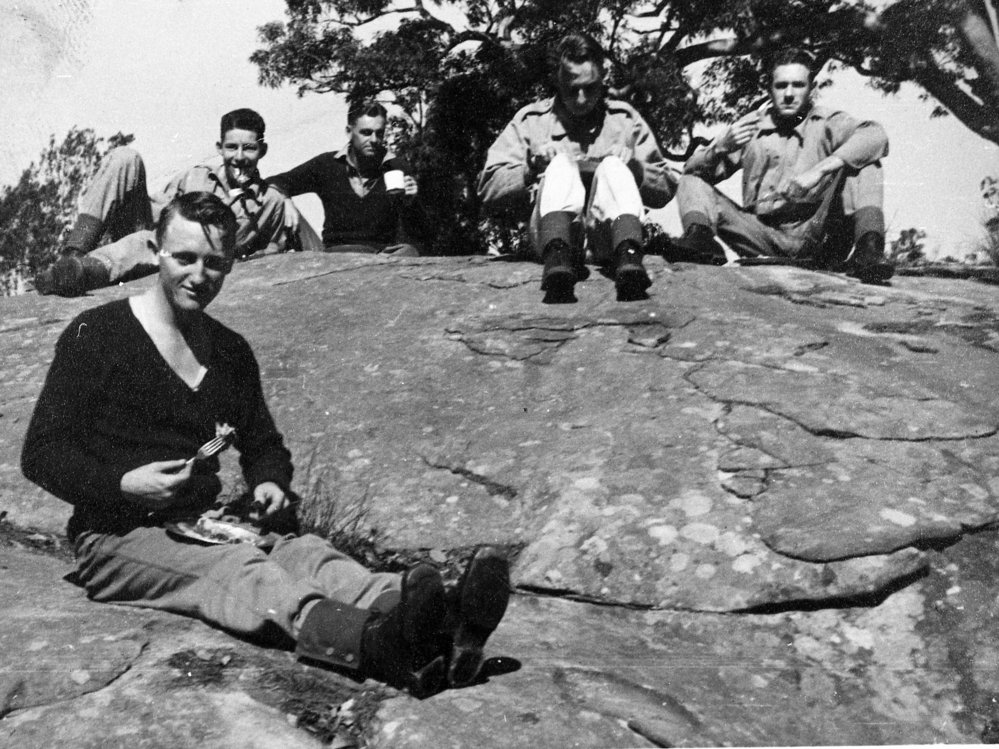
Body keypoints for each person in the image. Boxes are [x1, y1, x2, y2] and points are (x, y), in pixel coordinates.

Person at [21, 191, 509, 695]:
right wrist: (124, 483)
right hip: (115, 537)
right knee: (238, 570)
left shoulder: (230, 351)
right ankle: (377, 644)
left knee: (309, 556)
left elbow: (263, 443)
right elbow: (41, 453)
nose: (199, 275)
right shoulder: (97, 334)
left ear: (231, 264)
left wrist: (268, 482)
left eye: (214, 263)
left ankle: (437, 615)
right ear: (153, 251)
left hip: (205, 525)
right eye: (184, 258)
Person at [478, 32, 677, 302]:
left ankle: (629, 257)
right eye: (572, 89)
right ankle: (558, 260)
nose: (582, 99)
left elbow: (666, 187)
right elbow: (488, 187)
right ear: (556, 80)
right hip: (549, 238)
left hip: (607, 239)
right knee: (561, 163)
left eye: (591, 88)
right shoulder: (531, 121)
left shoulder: (624, 120)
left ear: (603, 77)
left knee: (614, 166)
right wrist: (530, 168)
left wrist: (636, 168)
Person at [672, 48, 894, 283]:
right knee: (690, 178)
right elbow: (691, 172)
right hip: (761, 236)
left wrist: (820, 170)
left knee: (866, 163)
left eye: (798, 85)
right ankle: (700, 240)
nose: (789, 94)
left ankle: (869, 249)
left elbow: (875, 135)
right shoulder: (751, 126)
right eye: (781, 86)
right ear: (769, 89)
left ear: (811, 88)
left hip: (819, 236)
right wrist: (719, 148)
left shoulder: (827, 122)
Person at [34, 108, 292, 297]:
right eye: (232, 147)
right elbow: (158, 207)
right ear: (219, 148)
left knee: (147, 242)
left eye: (249, 148)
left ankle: (79, 273)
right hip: (154, 234)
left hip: (182, 254)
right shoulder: (197, 176)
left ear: (262, 150)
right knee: (125, 157)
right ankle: (71, 257)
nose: (239, 157)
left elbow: (274, 249)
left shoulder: (272, 202)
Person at [269, 100, 426, 256]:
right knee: (275, 198)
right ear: (349, 131)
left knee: (409, 251)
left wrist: (411, 202)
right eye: (366, 132)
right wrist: (285, 200)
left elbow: (422, 234)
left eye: (379, 133)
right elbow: (273, 182)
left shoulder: (396, 166)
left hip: (380, 255)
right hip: (331, 253)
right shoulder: (327, 164)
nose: (374, 140)